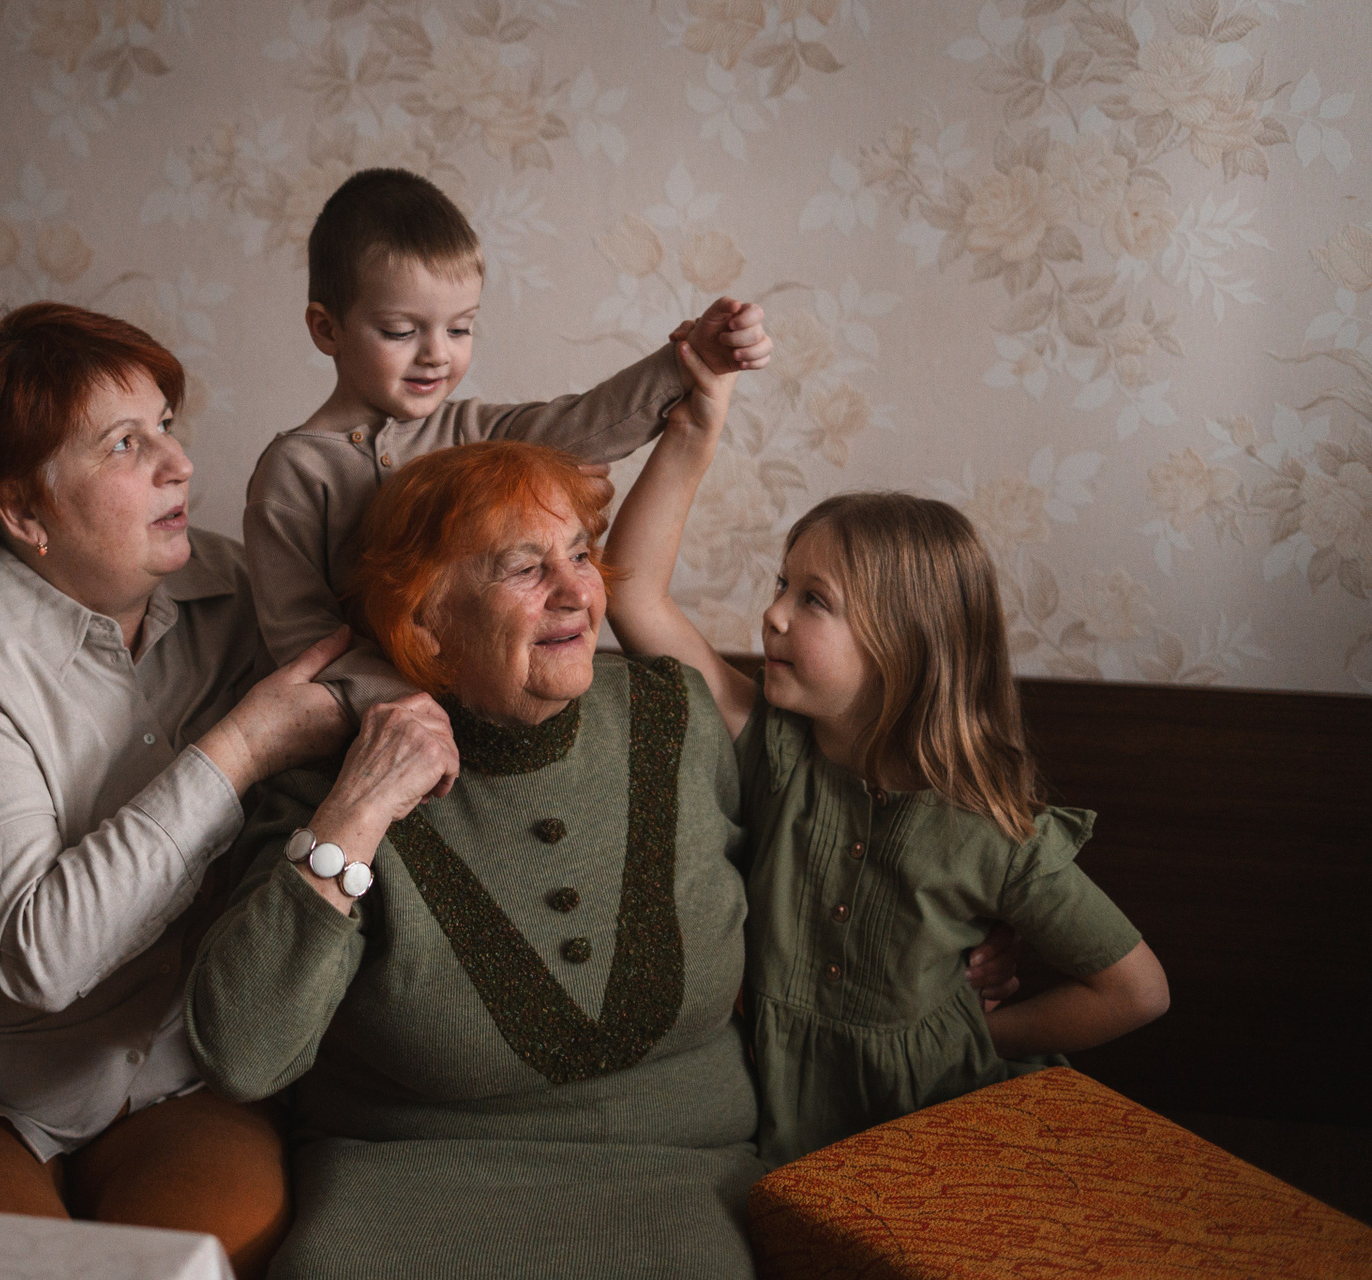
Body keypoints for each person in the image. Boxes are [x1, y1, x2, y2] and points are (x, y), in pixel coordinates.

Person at [0, 303, 352, 1276]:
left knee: (211, 1261)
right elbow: (38, 954)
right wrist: (243, 746)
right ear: (23, 511)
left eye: (166, 425)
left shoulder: (234, 591)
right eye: (125, 444)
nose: (179, 464)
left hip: (162, 1074)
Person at [187, 439, 769, 1279]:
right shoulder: (334, 781)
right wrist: (358, 810)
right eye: (525, 568)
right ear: (426, 619)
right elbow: (243, 1056)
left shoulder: (673, 715)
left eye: (580, 556)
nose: (575, 591)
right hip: (402, 1202)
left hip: (688, 1189)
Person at [603, 338, 1172, 1168]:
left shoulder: (991, 832)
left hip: (936, 1133)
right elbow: (630, 592)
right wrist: (695, 432)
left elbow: (1136, 990)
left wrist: (984, 1034)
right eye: (781, 585)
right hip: (772, 1126)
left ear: (905, 646)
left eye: (814, 600)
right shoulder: (776, 753)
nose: (773, 615)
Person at [243, 166, 772, 720]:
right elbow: (302, 636)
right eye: (401, 331)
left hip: (491, 708)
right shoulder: (294, 472)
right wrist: (408, 708)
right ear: (327, 329)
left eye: (459, 328)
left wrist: (685, 362)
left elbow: (582, 425)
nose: (437, 354)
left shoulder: (478, 432)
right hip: (361, 726)